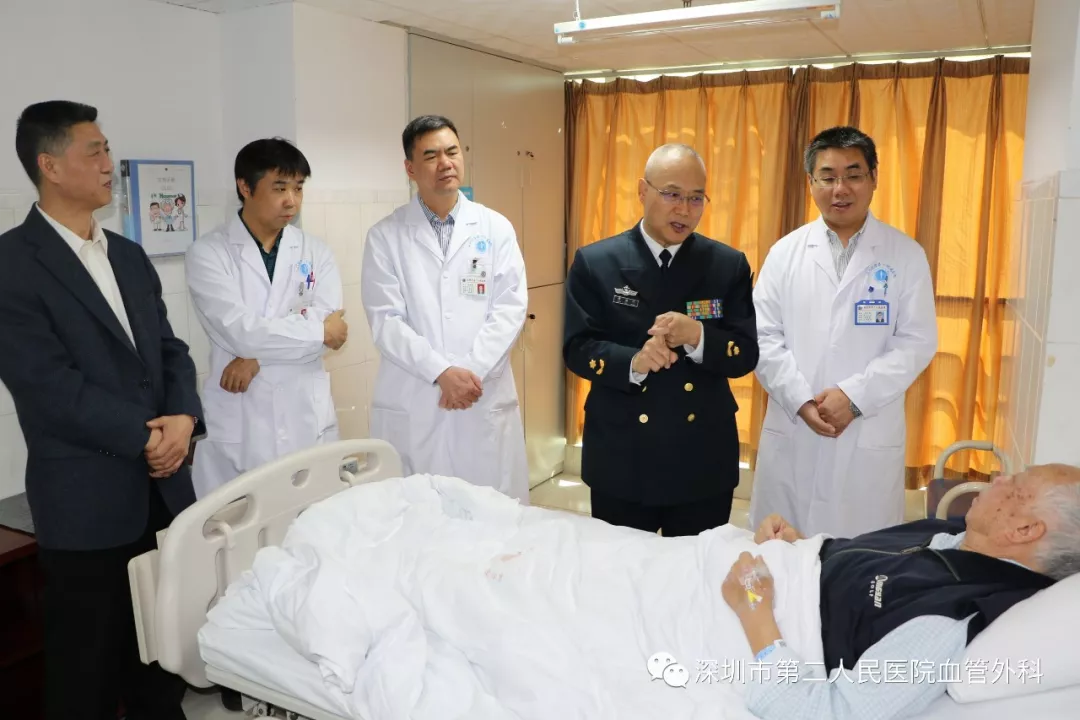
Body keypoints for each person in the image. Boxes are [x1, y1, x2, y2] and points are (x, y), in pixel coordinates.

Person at [0, 100, 203, 720]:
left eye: (107, 150)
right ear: (49, 166)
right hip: (85, 505)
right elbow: (46, 386)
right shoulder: (13, 264)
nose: (110, 164)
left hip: (161, 497)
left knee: (159, 662)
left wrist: (184, 418)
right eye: (96, 152)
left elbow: (169, 350)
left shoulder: (127, 255)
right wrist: (147, 438)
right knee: (84, 674)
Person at [726, 463, 1080, 720]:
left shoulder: (947, 619)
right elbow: (875, 571)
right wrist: (802, 546)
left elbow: (829, 712)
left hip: (747, 619)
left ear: (1024, 530)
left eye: (1014, 484)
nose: (999, 478)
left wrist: (753, 607)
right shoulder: (955, 536)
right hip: (756, 569)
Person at [750, 126, 938, 538]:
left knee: (860, 559)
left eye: (853, 175)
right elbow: (762, 337)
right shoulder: (784, 253)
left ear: (874, 178)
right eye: (828, 177)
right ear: (811, 183)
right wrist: (800, 400)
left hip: (866, 434)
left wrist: (854, 397)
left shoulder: (905, 255)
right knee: (781, 556)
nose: (841, 189)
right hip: (795, 428)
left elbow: (917, 342)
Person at [564, 143, 759, 537]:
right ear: (642, 191)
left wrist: (699, 336)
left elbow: (745, 354)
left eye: (696, 198)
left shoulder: (727, 265)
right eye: (671, 194)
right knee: (620, 568)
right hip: (622, 453)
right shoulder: (597, 261)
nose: (684, 209)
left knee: (696, 570)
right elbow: (577, 348)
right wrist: (633, 362)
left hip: (700, 457)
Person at [361, 115, 529, 502]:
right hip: (417, 397)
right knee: (419, 515)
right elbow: (386, 322)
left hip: (481, 394)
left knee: (489, 517)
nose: (445, 163)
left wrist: (469, 373)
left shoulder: (495, 228)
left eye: (452, 152)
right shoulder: (385, 236)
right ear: (410, 169)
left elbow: (510, 307)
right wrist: (441, 373)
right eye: (431, 155)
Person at [186, 138, 347, 500]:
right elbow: (241, 331)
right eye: (279, 188)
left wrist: (256, 358)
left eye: (298, 188)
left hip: (306, 416)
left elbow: (332, 330)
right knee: (241, 525)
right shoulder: (208, 254)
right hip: (243, 421)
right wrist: (314, 332)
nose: (291, 200)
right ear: (245, 187)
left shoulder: (316, 252)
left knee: (317, 521)